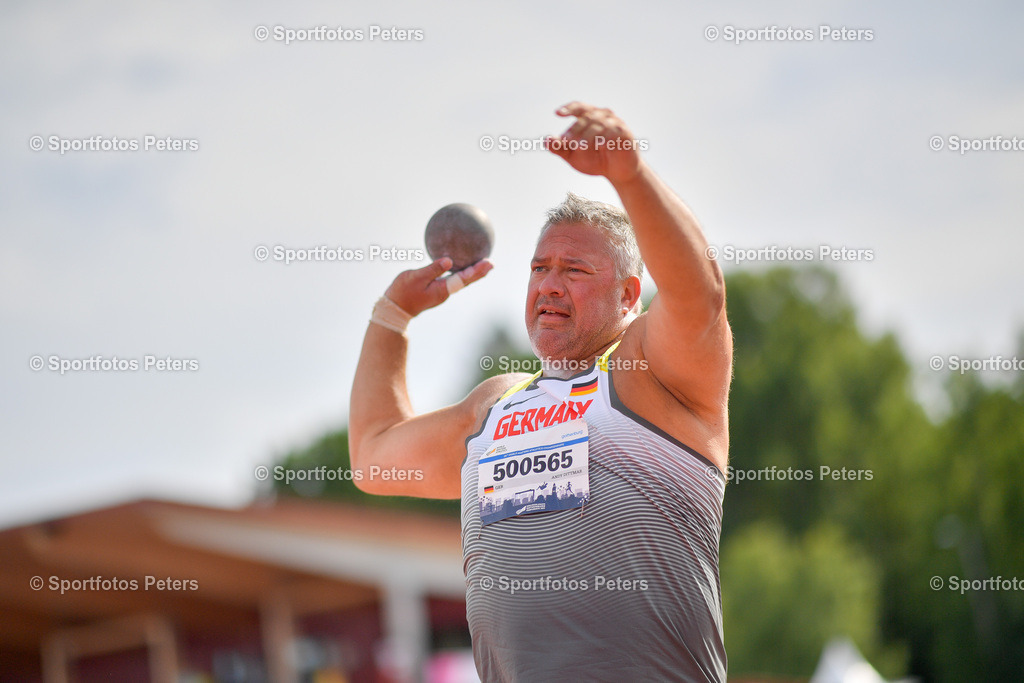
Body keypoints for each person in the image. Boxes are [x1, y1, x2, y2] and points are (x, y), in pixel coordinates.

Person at [350, 102, 731, 681]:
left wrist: (630, 176)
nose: (549, 285)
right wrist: (392, 315)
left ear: (629, 296)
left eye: (575, 270)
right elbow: (373, 456)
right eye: (538, 268)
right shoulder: (493, 407)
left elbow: (698, 296)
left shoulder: (648, 376)